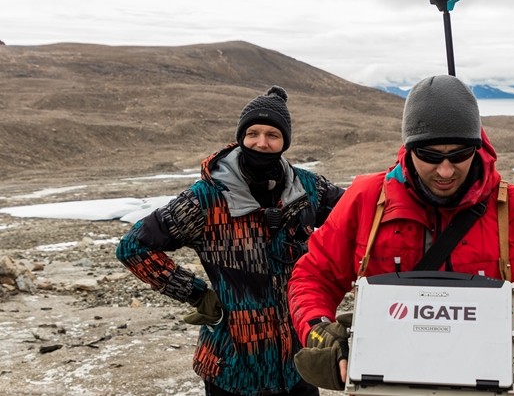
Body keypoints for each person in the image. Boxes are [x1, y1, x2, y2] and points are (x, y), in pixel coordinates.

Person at [287, 75, 514, 396]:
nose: (445, 171)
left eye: (460, 154)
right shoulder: (365, 199)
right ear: (408, 149)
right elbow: (312, 277)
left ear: (478, 146)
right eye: (430, 156)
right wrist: (320, 332)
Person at [116, 86, 344, 396]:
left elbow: (357, 220)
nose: (261, 142)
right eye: (253, 133)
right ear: (241, 137)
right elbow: (133, 247)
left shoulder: (308, 188)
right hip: (232, 367)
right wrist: (196, 294)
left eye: (272, 135)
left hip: (298, 364)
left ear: (284, 141)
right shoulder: (205, 198)